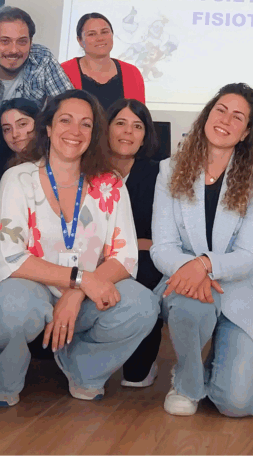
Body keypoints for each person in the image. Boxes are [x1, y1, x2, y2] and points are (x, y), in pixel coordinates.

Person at [0, 90, 158, 407]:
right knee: (11, 308)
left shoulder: (111, 183)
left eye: (86, 124)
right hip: (31, 287)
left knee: (143, 305)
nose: (75, 131)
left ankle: (83, 370)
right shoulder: (18, 179)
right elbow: (9, 257)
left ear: (94, 134)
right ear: (49, 128)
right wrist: (81, 279)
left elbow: (125, 258)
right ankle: (4, 380)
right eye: (66, 120)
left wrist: (78, 291)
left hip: (87, 293)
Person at [151, 83, 253, 417]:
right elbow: (162, 247)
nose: (225, 120)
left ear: (246, 132)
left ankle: (213, 359)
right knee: (191, 304)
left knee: (238, 404)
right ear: (207, 115)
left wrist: (204, 265)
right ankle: (187, 382)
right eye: (220, 110)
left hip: (239, 287)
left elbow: (248, 257)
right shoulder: (169, 170)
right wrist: (193, 270)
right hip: (187, 286)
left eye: (238, 117)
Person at [102, 98, 165, 388]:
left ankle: (141, 361)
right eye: (120, 123)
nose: (128, 132)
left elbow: (160, 238)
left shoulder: (158, 175)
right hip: (93, 254)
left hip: (142, 256)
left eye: (137, 126)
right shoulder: (88, 169)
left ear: (145, 136)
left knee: (148, 268)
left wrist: (122, 248)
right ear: (106, 129)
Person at [0, 97, 40, 271]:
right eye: (7, 129)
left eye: (22, 124)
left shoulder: (58, 162)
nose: (15, 134)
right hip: (8, 261)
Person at [0, 5, 70, 107]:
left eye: (22, 41)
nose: (14, 50)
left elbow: (70, 105)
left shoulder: (42, 59)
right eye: (5, 41)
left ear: (31, 43)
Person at [61, 13, 146, 110]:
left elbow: (139, 115)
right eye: (92, 34)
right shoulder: (64, 71)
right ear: (80, 40)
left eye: (105, 32)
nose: (100, 38)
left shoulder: (132, 73)